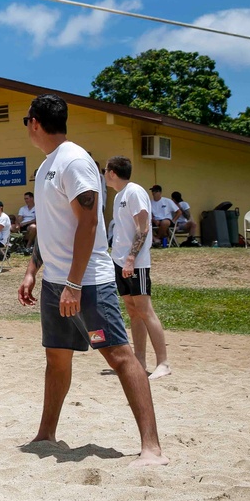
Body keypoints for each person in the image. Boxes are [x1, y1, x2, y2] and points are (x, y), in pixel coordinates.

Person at [17, 94, 167, 467]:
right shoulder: (48, 165)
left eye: (26, 122)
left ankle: (152, 448)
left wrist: (74, 283)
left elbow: (88, 222)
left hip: (87, 283)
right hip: (56, 281)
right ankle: (47, 433)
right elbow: (55, 229)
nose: (27, 128)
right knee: (56, 357)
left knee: (119, 355)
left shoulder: (74, 160)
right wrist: (32, 269)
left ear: (35, 122)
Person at [106, 157, 172, 380]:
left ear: (113, 172)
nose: (104, 174)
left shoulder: (134, 192)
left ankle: (163, 362)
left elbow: (143, 228)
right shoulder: (119, 196)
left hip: (135, 262)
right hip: (119, 260)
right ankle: (140, 360)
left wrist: (131, 259)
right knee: (133, 311)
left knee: (145, 310)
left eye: (106, 170)